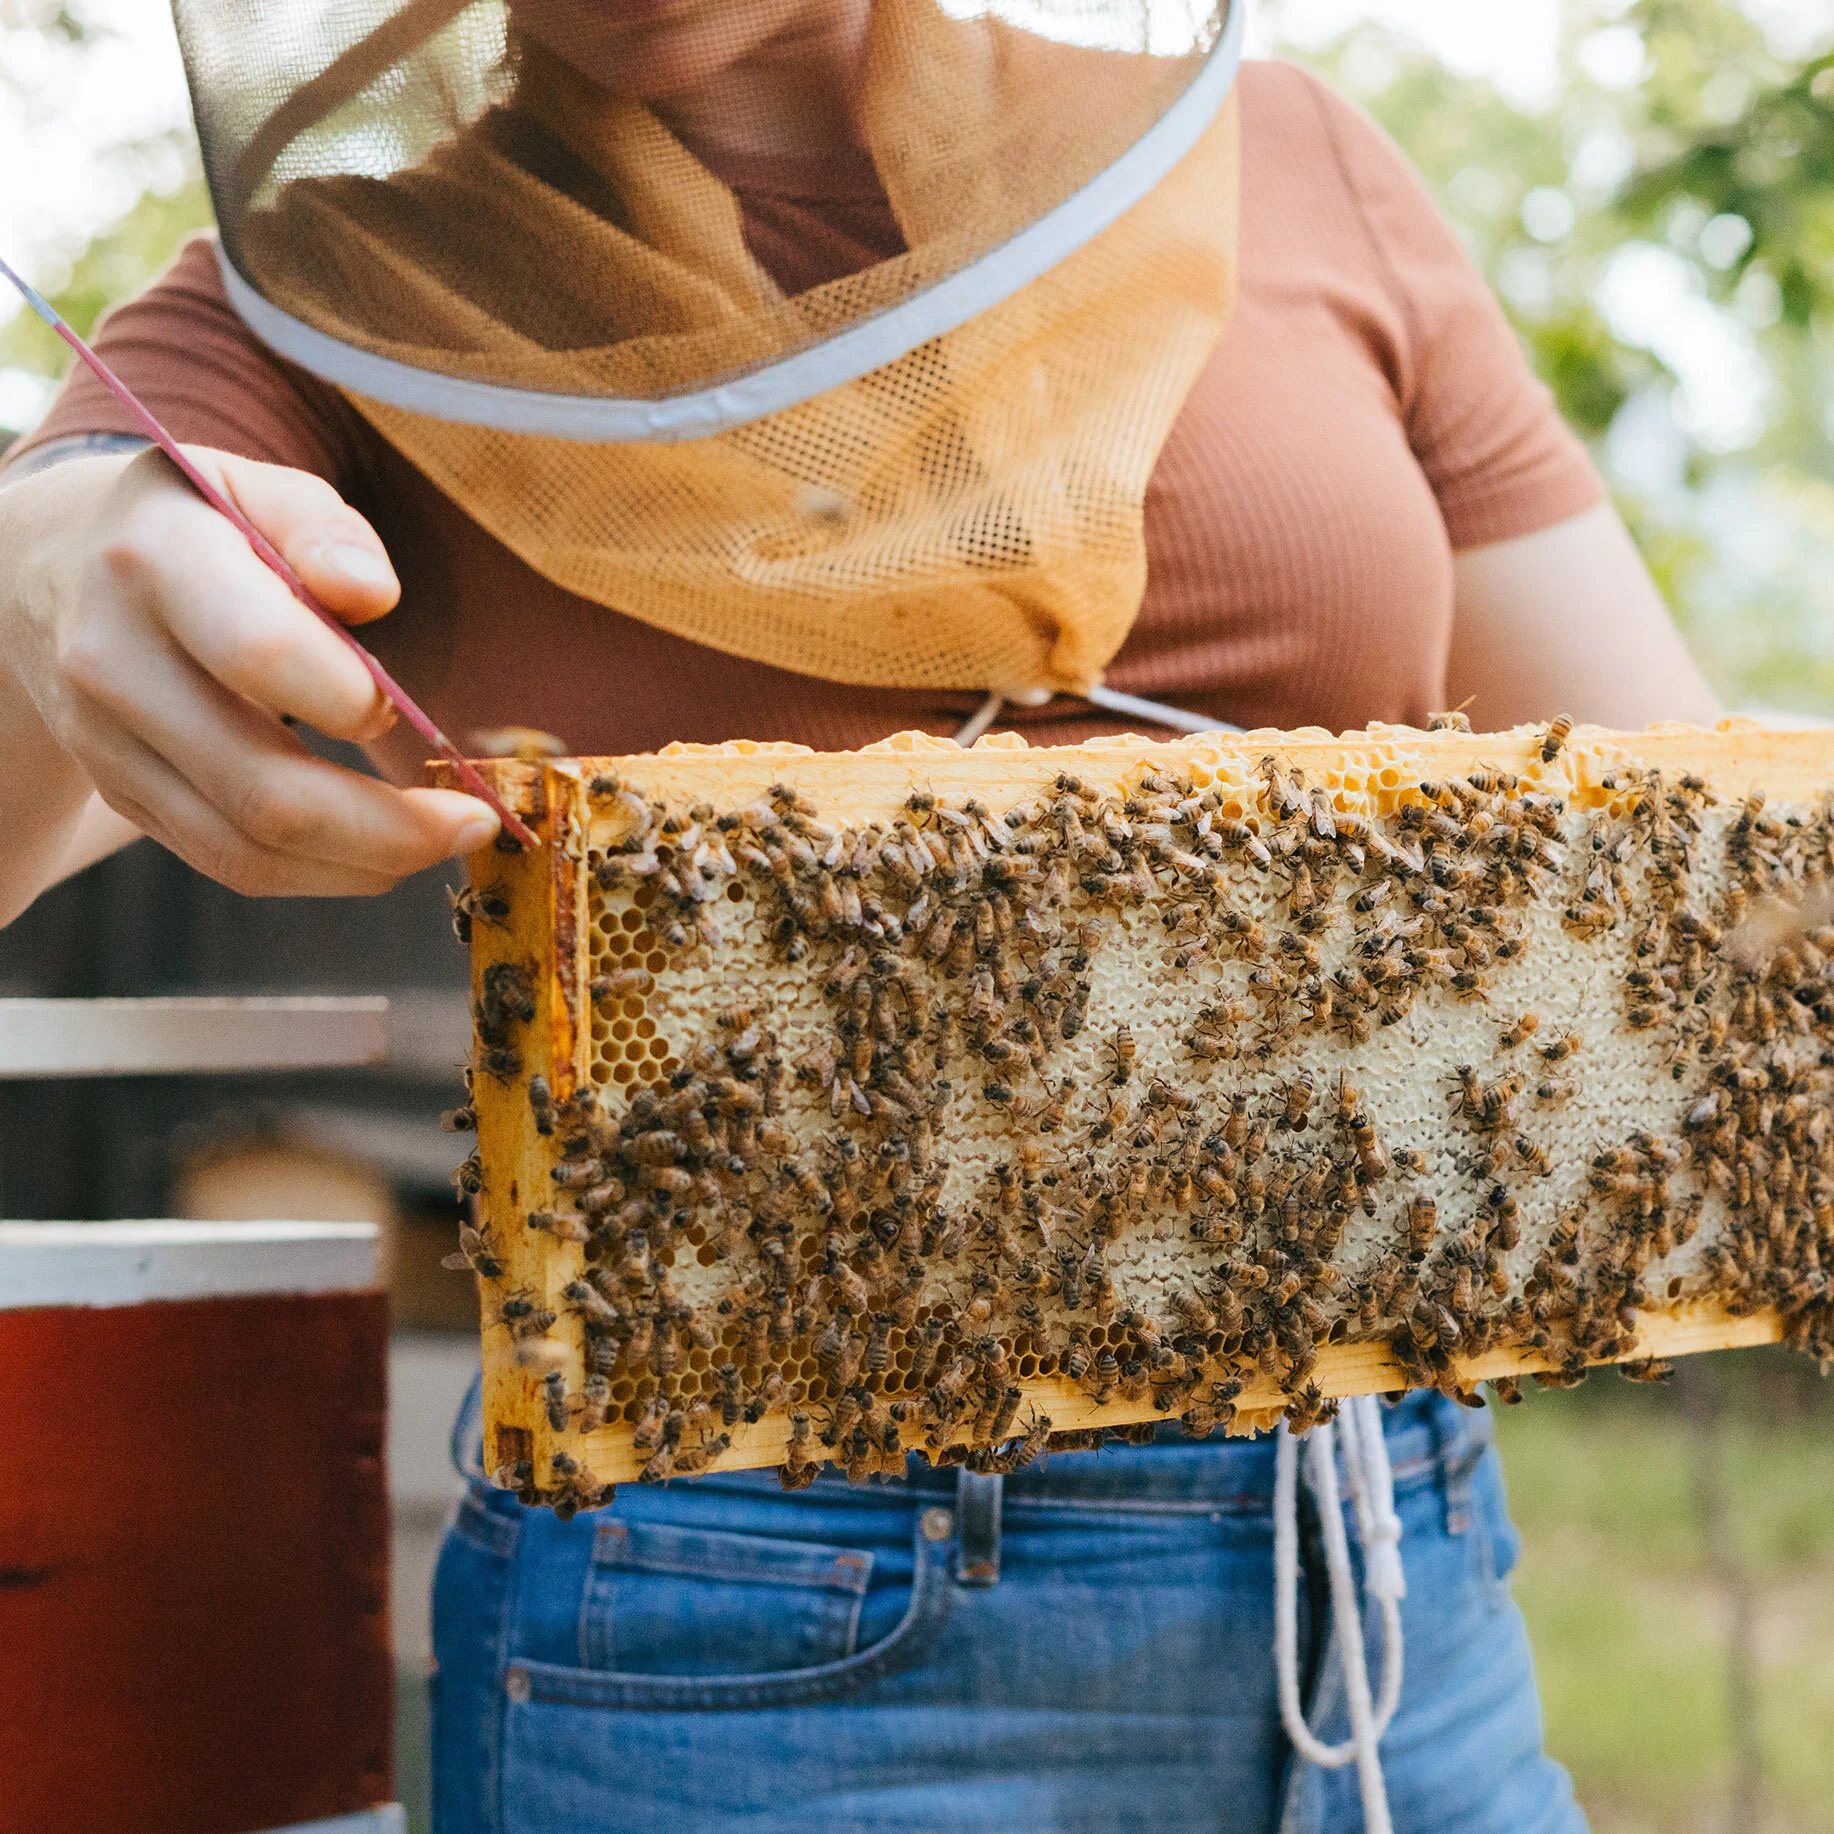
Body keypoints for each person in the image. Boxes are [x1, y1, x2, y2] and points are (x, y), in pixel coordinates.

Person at [0, 3, 1718, 1830]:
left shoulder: (1298, 159)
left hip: (1384, 1549)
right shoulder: (332, 293)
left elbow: (1698, 859)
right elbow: (86, 542)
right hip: (738, 1612)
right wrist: (45, 567)